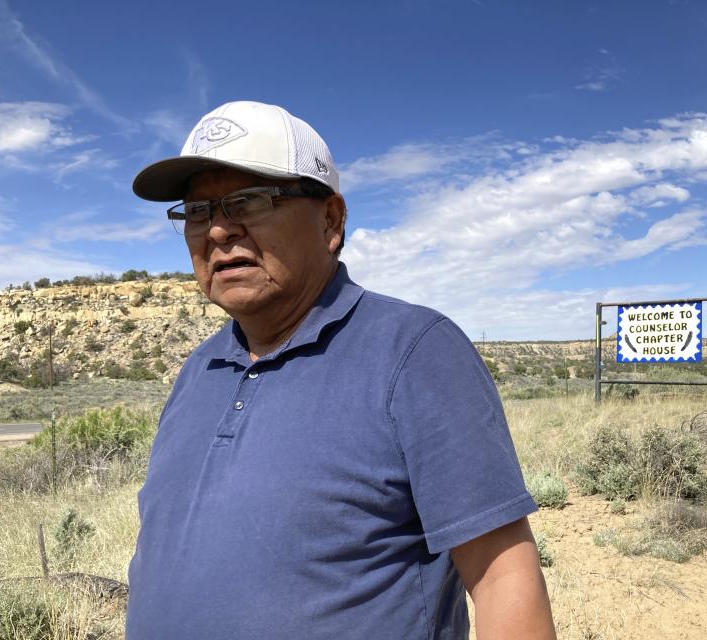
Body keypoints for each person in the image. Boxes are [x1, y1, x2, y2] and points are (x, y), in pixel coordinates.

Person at [126, 101, 556, 640]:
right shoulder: (199, 369)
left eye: (248, 201)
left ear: (331, 219)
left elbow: (503, 579)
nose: (216, 232)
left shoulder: (414, 352)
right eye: (197, 211)